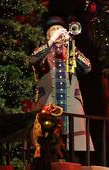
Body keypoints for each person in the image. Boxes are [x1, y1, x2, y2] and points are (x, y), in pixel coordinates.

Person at [29, 16, 93, 155]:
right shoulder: (44, 50)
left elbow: (87, 67)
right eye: (54, 29)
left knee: (75, 148)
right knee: (47, 146)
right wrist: (51, 42)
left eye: (59, 29)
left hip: (71, 106)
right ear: (47, 35)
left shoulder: (71, 50)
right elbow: (33, 59)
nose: (57, 31)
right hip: (48, 104)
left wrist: (71, 45)